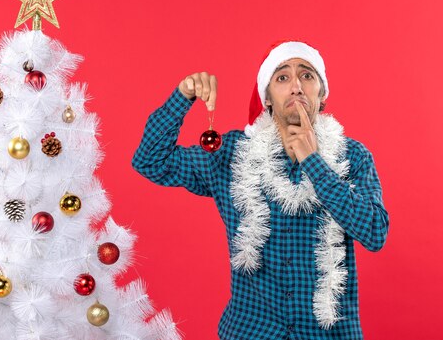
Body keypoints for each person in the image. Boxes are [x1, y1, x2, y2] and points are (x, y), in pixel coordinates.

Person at [131, 41, 390, 340]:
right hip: (251, 331)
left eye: (307, 76)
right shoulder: (231, 155)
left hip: (327, 334)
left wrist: (314, 163)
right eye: (282, 77)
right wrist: (183, 96)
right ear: (267, 98)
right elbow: (150, 161)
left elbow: (375, 233)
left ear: (322, 96)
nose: (296, 86)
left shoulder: (353, 156)